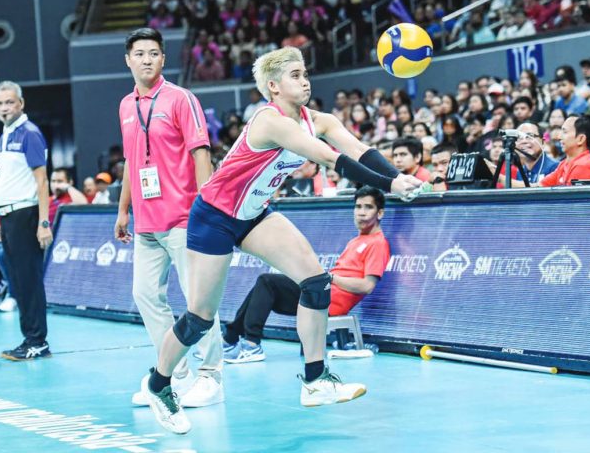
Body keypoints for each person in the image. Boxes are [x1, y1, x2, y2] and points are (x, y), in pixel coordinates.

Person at [132, 46, 421, 434]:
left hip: (253, 215)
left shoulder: (317, 119)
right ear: (273, 86)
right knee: (200, 317)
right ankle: (159, 385)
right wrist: (392, 183)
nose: (305, 81)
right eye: (296, 75)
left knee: (316, 282)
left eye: (305, 73)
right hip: (214, 218)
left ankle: (316, 381)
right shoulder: (270, 122)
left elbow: (358, 149)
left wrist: (394, 175)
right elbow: (333, 160)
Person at [115, 28, 225, 409]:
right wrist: (123, 209)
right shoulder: (126, 106)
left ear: (164, 60)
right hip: (146, 222)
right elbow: (131, 161)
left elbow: (200, 153)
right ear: (127, 60)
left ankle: (211, 375)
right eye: (139, 54)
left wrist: (206, 207)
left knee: (199, 300)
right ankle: (176, 374)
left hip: (183, 218)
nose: (147, 60)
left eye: (154, 53)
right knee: (145, 295)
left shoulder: (181, 99)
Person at [222, 186, 391, 363]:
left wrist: (330, 278)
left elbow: (367, 286)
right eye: (358, 207)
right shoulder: (355, 241)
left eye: (368, 207)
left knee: (267, 282)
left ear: (380, 213)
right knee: (264, 286)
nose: (361, 213)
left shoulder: (379, 244)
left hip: (330, 300)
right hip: (321, 291)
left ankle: (250, 344)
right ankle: (231, 339)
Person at [0, 80, 53, 361]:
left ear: (21, 104)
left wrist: (43, 223)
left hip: (26, 216)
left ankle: (37, 341)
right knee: (18, 280)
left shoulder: (29, 134)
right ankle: (29, 338)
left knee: (29, 280)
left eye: (9, 102)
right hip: (8, 217)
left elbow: (42, 182)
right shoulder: (6, 134)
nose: (4, 108)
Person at [487, 122, 559, 188]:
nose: (524, 141)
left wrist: (498, 176)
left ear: (543, 142)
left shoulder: (555, 167)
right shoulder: (521, 171)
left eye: (530, 136)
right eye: (519, 138)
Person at [539, 115, 590, 186]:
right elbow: (539, 186)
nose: (559, 137)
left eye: (564, 132)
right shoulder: (564, 163)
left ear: (581, 139)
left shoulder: (583, 166)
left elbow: (570, 196)